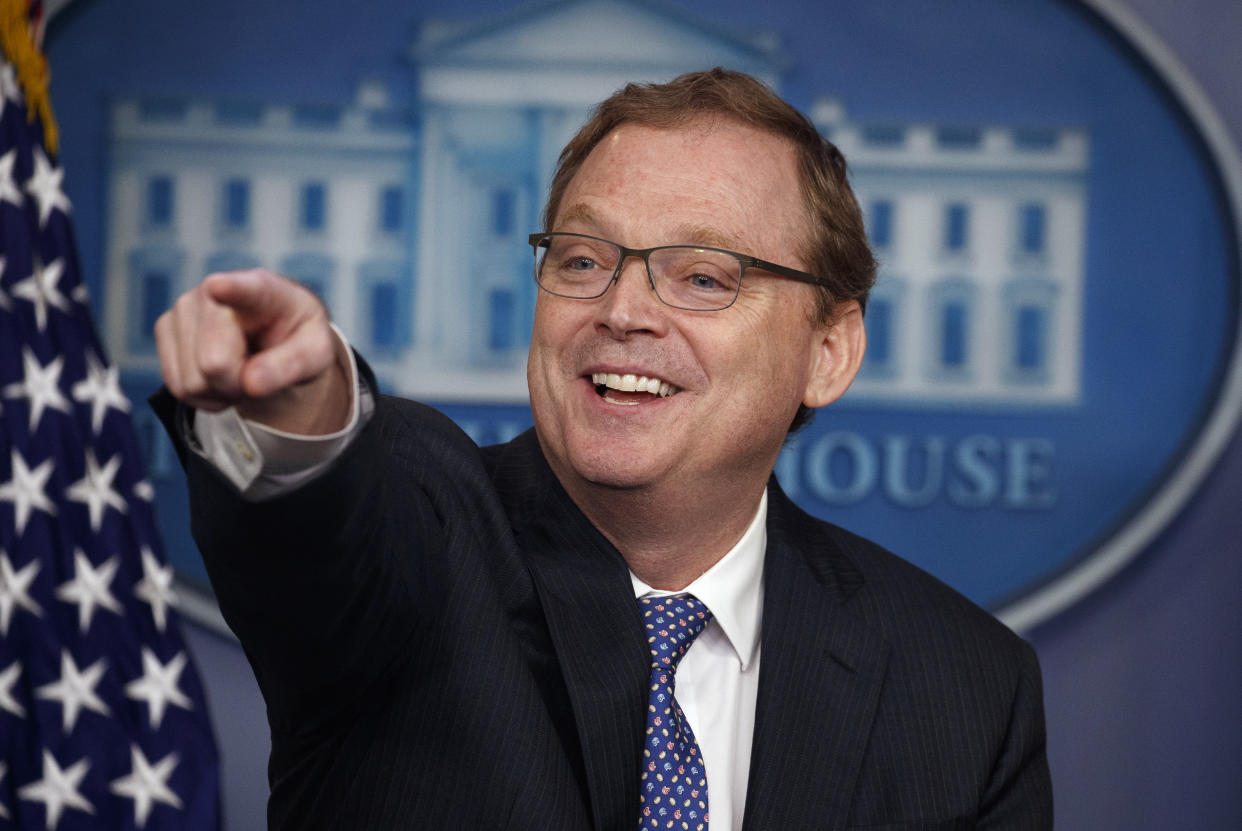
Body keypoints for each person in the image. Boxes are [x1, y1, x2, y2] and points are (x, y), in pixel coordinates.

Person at [153, 69, 1052, 830]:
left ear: (829, 351)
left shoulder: (966, 685)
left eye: (703, 276)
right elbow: (335, 513)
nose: (621, 310)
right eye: (583, 260)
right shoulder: (428, 538)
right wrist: (302, 408)